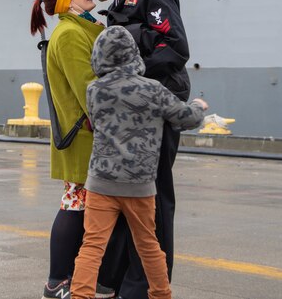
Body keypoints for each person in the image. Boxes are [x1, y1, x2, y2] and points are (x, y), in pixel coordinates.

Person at [74, 0, 191, 299]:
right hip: (131, 114)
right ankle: (117, 279)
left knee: (153, 200)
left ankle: (145, 286)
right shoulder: (123, 3)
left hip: (153, 113)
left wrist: (129, 79)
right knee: (124, 201)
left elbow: (174, 47)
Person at [70, 25, 208, 299]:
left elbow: (96, 123)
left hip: (101, 183)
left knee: (92, 246)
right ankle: (160, 294)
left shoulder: (93, 90)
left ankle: (79, 295)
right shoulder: (153, 89)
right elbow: (184, 118)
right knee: (148, 245)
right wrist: (198, 107)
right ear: (133, 55)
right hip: (139, 185)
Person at [30, 0, 115, 299]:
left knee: (79, 206)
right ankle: (57, 282)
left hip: (85, 136)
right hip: (83, 137)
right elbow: (88, 90)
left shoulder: (81, 29)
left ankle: (69, 279)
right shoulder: (69, 34)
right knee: (74, 206)